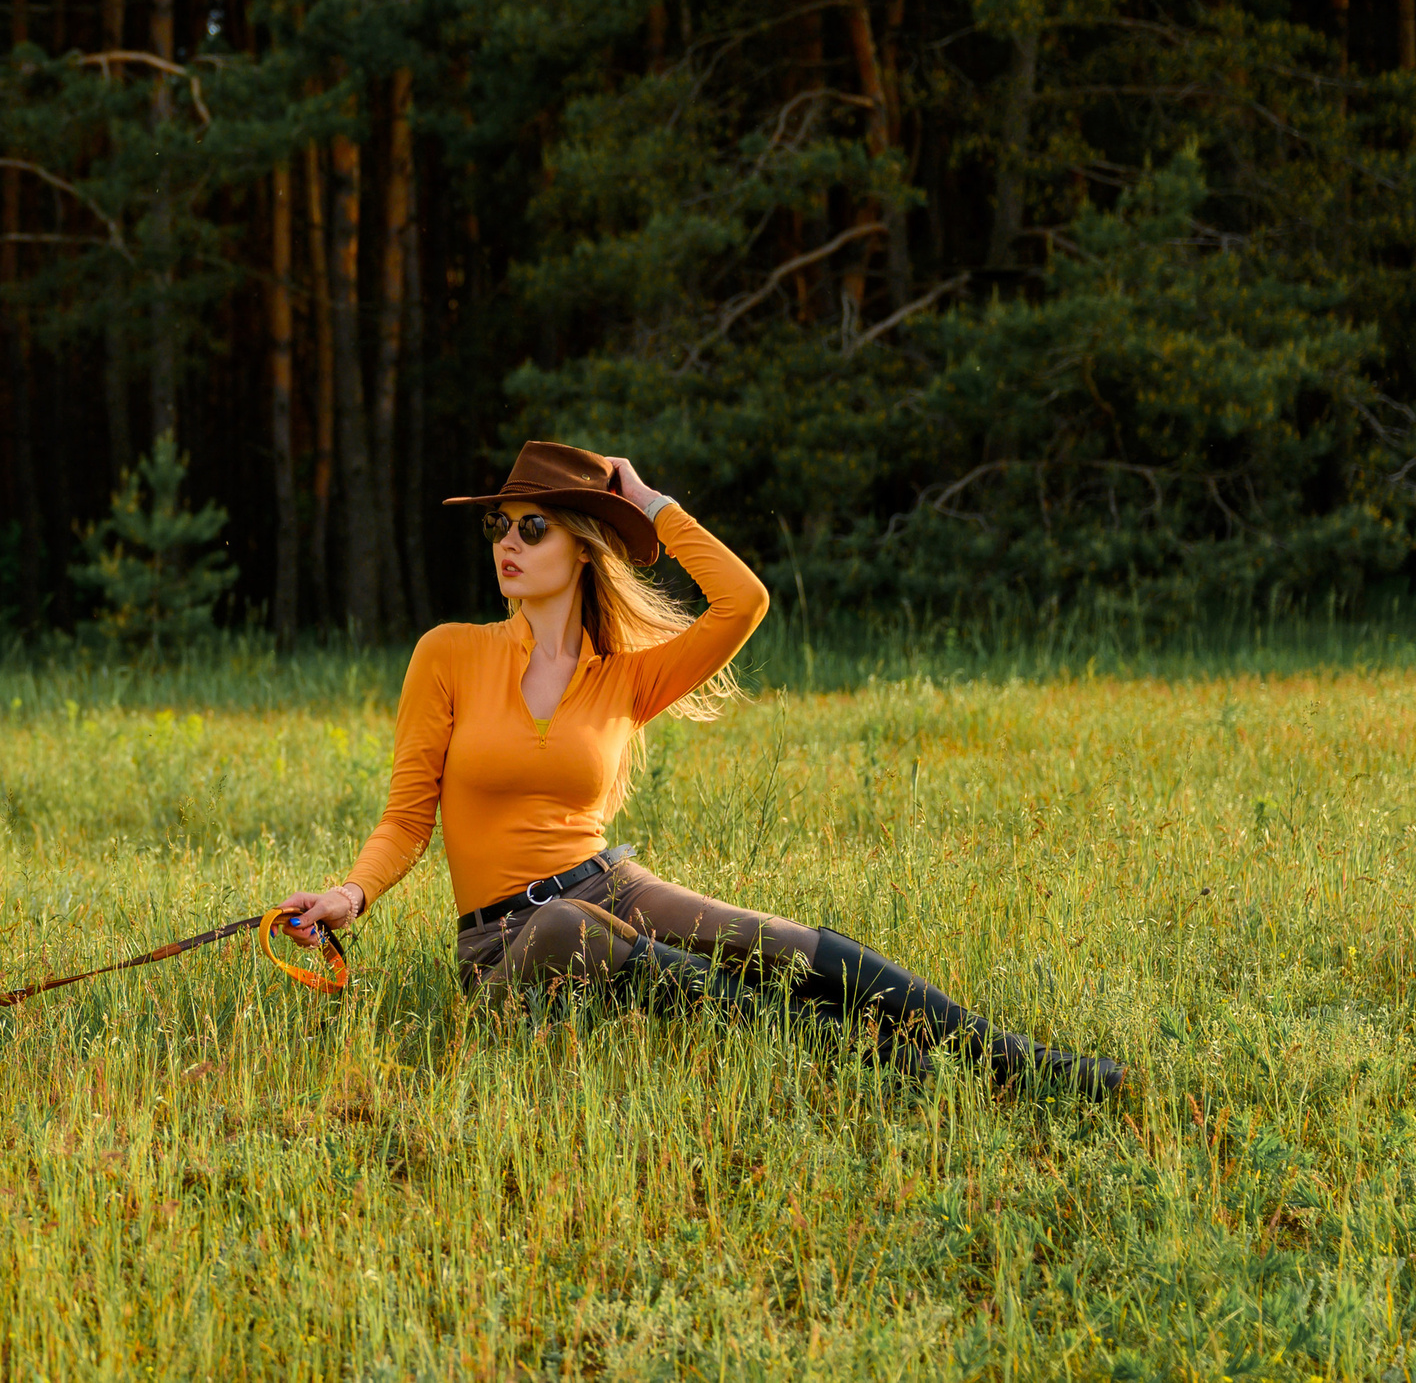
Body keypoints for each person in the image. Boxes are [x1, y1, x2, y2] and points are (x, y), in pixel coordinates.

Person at [276, 440, 1126, 1096]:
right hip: (504, 943)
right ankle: (870, 1062)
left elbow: (743, 601)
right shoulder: (449, 655)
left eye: (533, 527)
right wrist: (350, 894)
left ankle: (1012, 1060)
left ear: (583, 547)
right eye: (499, 525)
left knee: (772, 942)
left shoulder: (623, 677)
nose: (508, 542)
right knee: (570, 928)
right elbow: (407, 818)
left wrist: (650, 504)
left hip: (608, 883)